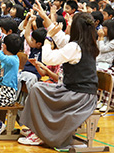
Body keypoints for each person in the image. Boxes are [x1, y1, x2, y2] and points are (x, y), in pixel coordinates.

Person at [18, 12, 99, 148]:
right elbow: (61, 38)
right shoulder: (87, 44)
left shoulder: (75, 47)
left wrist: (48, 39)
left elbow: (47, 58)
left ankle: (41, 133)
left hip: (78, 96)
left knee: (38, 90)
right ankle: (38, 130)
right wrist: (48, 21)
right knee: (38, 88)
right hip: (81, 93)